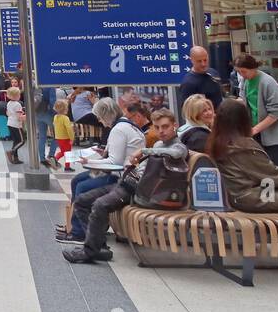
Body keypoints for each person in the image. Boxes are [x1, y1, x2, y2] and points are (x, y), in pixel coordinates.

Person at [205, 98, 278, 273]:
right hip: (254, 197)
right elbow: (271, 176)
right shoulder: (243, 145)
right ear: (243, 119)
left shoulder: (216, 142)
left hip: (238, 196)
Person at [62, 107, 185, 264]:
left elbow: (176, 153)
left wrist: (143, 151)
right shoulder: (159, 143)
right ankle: (98, 246)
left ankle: (89, 251)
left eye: (165, 126)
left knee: (99, 205)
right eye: (157, 127)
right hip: (128, 183)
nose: (161, 131)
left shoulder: (177, 145)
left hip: (140, 190)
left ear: (174, 125)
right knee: (81, 201)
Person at [57, 97, 146, 243]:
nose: (99, 120)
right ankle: (73, 226)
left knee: (82, 186)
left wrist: (88, 162)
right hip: (124, 174)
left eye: (99, 117)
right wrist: (102, 154)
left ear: (106, 115)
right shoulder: (125, 126)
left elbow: (114, 163)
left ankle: (80, 233)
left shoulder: (118, 129)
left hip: (121, 177)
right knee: (77, 180)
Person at [234, 53, 278, 166]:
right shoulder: (245, 82)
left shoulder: (267, 82)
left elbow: (275, 113)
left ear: (253, 68)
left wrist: (255, 129)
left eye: (244, 71)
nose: (241, 75)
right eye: (239, 72)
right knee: (261, 168)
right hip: (258, 134)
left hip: (276, 136)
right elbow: (244, 100)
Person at [178, 46, 223, 115]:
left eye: (205, 60)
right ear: (192, 60)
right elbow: (186, 110)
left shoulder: (213, 73)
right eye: (199, 61)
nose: (203, 64)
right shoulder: (188, 83)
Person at [51, 98, 74, 171]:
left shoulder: (55, 117)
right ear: (65, 109)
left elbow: (54, 125)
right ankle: (67, 167)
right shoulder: (65, 118)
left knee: (63, 151)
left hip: (58, 137)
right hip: (66, 138)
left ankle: (55, 159)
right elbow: (69, 129)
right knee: (68, 153)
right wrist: (72, 138)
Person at [5, 86, 25, 165]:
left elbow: (7, 113)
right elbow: (19, 118)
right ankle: (11, 152)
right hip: (16, 125)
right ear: (16, 96)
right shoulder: (18, 104)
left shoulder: (9, 103)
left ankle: (15, 158)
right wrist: (28, 116)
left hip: (10, 123)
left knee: (16, 141)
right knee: (22, 141)